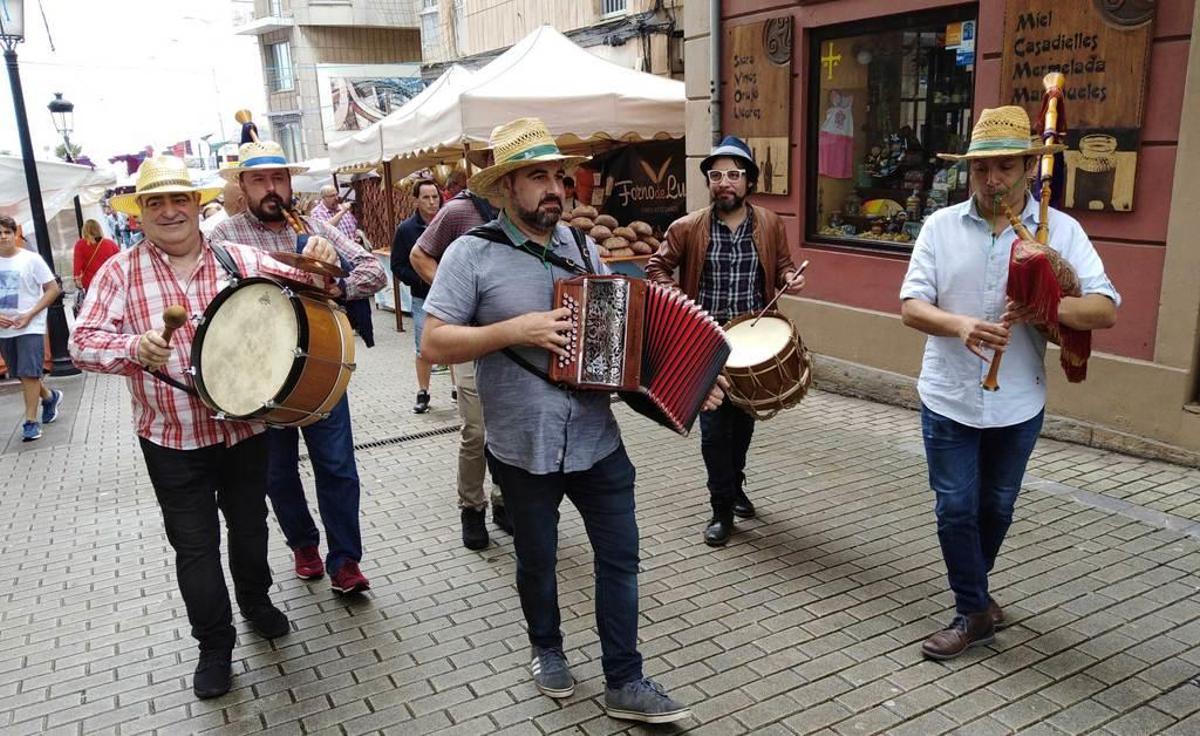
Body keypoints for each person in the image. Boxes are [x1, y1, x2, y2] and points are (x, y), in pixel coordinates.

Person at [422, 117, 720, 724]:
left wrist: (684, 384)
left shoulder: (583, 248)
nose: (554, 187)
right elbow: (433, 344)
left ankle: (625, 679)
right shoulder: (470, 253)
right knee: (537, 559)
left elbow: (625, 338)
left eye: (558, 175)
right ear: (505, 188)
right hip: (522, 444)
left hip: (596, 440)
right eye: (537, 176)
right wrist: (517, 330)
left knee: (621, 558)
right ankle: (548, 649)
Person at [69, 155, 342, 698]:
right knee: (194, 546)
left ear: (197, 205)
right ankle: (214, 646)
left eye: (179, 200)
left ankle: (257, 601)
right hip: (170, 439)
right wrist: (132, 347)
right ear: (140, 213)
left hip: (243, 432)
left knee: (250, 528)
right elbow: (81, 343)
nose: (169, 211)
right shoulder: (119, 272)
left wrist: (322, 256)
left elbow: (319, 284)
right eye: (155, 203)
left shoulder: (235, 257)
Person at [900, 106, 1120, 660]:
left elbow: (1105, 309)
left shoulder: (1059, 230)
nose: (993, 180)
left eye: (1005, 168)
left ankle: (974, 598)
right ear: (969, 173)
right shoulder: (940, 226)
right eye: (982, 170)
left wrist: (1050, 304)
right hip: (948, 395)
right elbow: (910, 306)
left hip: (1017, 401)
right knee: (955, 508)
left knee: (995, 508)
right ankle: (972, 610)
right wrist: (960, 325)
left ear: (1028, 167)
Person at [210, 140, 386, 595]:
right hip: (260, 373)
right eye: (259, 180)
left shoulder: (315, 228)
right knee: (277, 473)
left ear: (289, 183)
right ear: (243, 186)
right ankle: (303, 544)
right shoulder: (222, 236)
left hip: (320, 368)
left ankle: (346, 561)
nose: (271, 188)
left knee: (338, 468)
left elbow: (375, 271)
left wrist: (336, 282)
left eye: (279, 178)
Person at [646, 135, 806, 547]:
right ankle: (720, 508)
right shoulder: (687, 227)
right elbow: (657, 267)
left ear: (749, 181)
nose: (724, 182)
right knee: (714, 431)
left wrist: (790, 278)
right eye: (716, 175)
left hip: (753, 340)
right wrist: (676, 299)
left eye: (734, 174)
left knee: (743, 424)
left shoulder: (770, 223)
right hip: (706, 343)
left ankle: (735, 486)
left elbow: (784, 265)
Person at [411, 168, 512, 548]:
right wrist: (454, 292)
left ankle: (505, 502)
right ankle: (472, 508)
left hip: (511, 344)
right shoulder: (458, 211)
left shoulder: (526, 212)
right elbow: (418, 253)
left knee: (506, 428)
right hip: (467, 338)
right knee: (476, 431)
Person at [0, 214, 63, 442]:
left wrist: (31, 314)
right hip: (4, 330)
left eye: (7, 232)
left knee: (29, 373)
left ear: (15, 233)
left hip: (30, 326)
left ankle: (30, 422)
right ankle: (49, 397)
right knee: (23, 375)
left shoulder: (31, 259)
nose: (3, 237)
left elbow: (52, 289)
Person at [391, 178, 441, 414]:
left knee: (456, 342)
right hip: (423, 297)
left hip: (451, 297)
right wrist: (419, 278)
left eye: (435, 197)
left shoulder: (447, 222)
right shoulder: (406, 229)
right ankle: (423, 391)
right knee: (423, 347)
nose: (432, 202)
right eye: (426, 198)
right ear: (416, 201)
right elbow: (397, 265)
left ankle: (457, 388)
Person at [72, 218, 120, 292]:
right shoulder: (110, 243)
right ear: (99, 229)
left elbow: (77, 266)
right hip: (109, 283)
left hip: (91, 283)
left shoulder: (80, 244)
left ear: (84, 231)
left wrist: (76, 278)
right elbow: (119, 263)